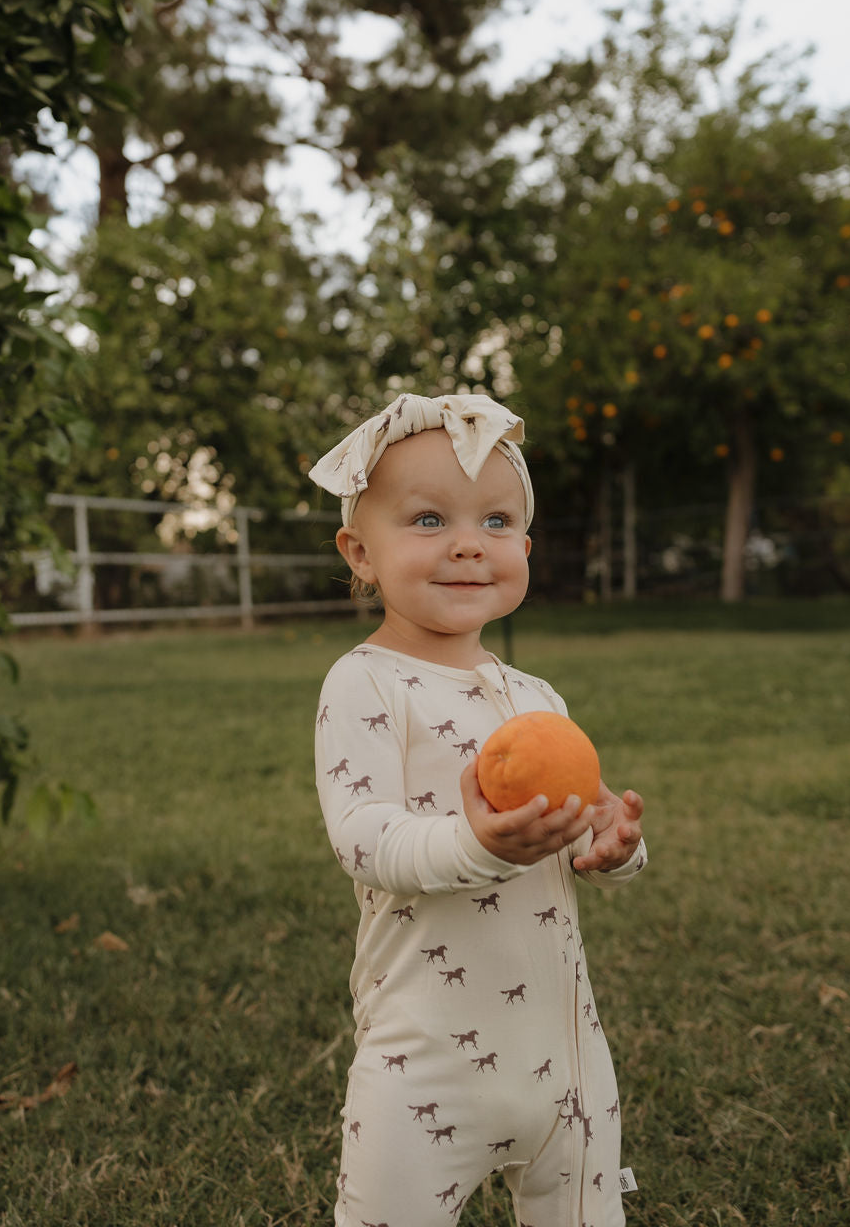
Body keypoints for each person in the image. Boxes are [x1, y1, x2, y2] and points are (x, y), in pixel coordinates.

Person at [309, 392, 646, 1227]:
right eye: (427, 521)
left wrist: (609, 844)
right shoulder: (366, 683)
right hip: (424, 1060)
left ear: (524, 549)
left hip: (564, 1057)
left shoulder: (537, 699)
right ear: (361, 550)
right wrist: (478, 843)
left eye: (496, 522)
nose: (468, 543)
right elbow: (365, 837)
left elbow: (574, 829)